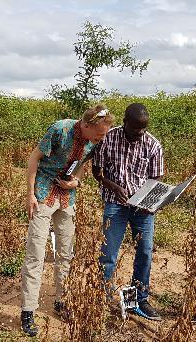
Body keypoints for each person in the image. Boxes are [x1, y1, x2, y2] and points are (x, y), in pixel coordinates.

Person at [20, 104, 114, 337]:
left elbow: (81, 167)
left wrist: (76, 182)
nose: (102, 138)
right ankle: (28, 311)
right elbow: (34, 158)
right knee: (36, 252)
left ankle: (62, 300)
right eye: (100, 133)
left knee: (66, 252)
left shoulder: (95, 141)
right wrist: (30, 194)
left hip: (66, 198)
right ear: (86, 125)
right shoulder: (60, 130)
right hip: (43, 191)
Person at [92, 102, 164, 321]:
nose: (139, 133)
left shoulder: (153, 145)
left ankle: (139, 299)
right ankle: (100, 297)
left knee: (144, 253)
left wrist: (146, 199)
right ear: (125, 122)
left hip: (142, 208)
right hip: (115, 204)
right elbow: (97, 171)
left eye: (143, 129)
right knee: (108, 254)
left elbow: (157, 177)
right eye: (135, 129)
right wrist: (113, 186)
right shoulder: (108, 138)